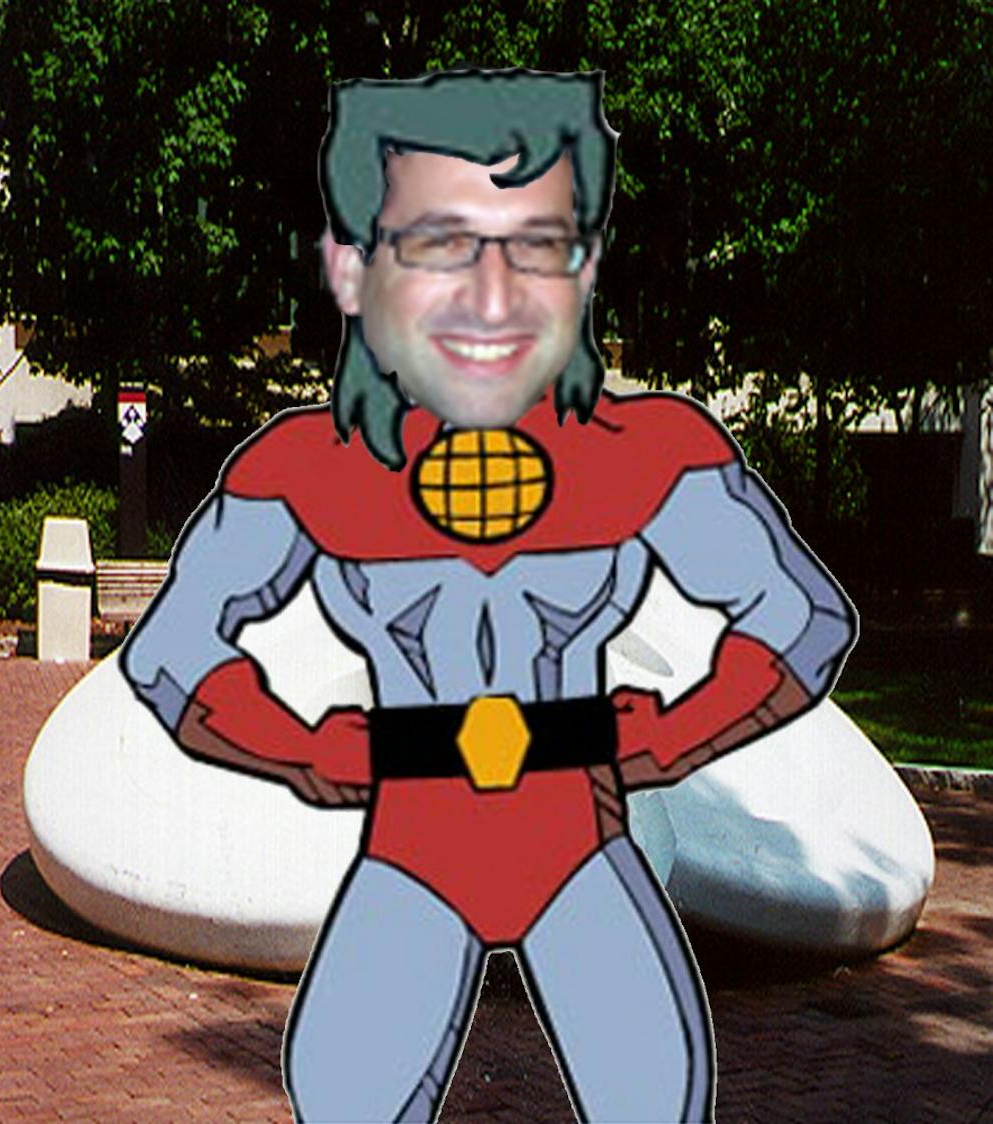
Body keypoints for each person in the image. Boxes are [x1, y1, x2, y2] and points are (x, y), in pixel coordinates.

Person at [121, 69, 856, 1122]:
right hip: (412, 849)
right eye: (440, 244)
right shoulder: (305, 471)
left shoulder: (650, 454)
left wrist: (662, 737)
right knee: (344, 1090)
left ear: (586, 266)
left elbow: (800, 623)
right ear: (353, 267)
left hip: (575, 845)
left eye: (538, 245)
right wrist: (305, 748)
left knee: (651, 1093)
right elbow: (174, 651)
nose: (493, 295)